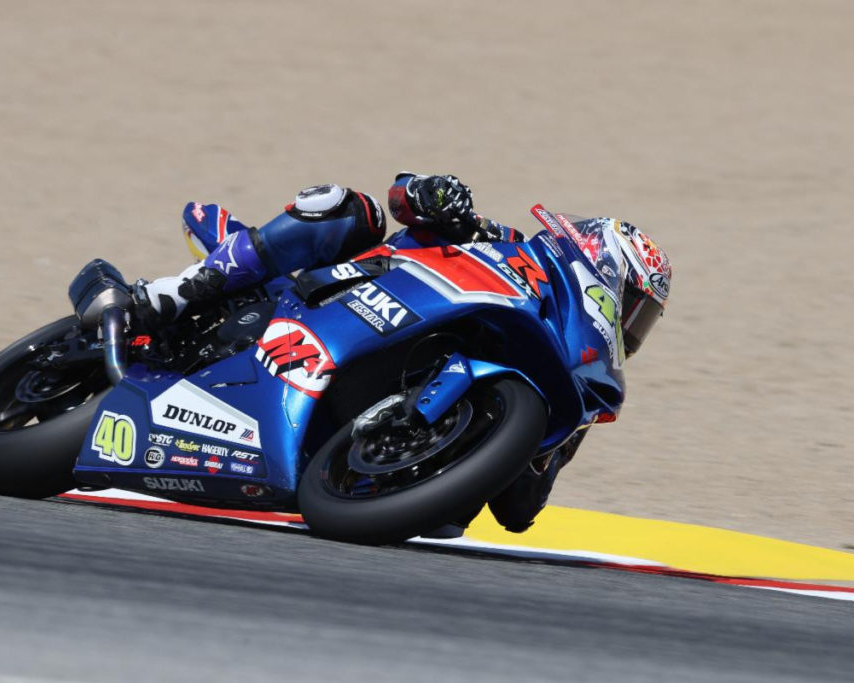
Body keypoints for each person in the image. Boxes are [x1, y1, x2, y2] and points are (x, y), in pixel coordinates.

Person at [69, 172, 672, 536]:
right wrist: (438, 196)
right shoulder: (502, 242)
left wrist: (543, 454)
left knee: (443, 526)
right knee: (344, 207)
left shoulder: (572, 396)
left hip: (369, 480)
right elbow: (408, 194)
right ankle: (167, 297)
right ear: (602, 268)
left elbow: (517, 514)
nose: (634, 330)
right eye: (635, 306)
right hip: (330, 293)